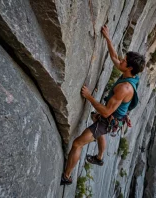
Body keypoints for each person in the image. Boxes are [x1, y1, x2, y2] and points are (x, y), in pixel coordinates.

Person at [61, 25, 145, 185]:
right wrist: (107, 38)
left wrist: (89, 97)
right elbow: (115, 59)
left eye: (124, 61)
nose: (121, 60)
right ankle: (99, 158)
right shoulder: (132, 75)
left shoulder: (124, 88)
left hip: (108, 120)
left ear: (130, 68)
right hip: (115, 118)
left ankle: (66, 177)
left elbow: (106, 113)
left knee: (77, 143)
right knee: (95, 118)